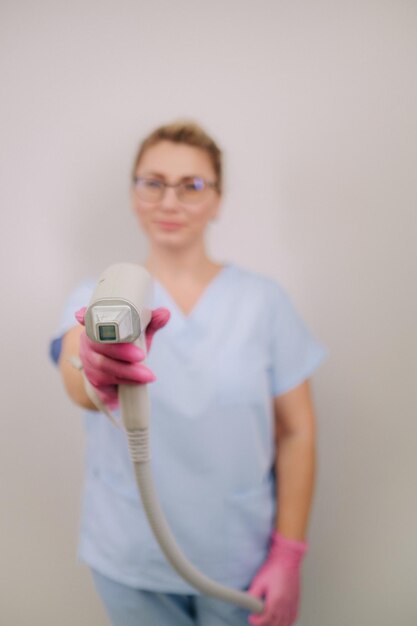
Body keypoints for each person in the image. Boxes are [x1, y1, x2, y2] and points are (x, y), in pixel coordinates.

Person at [50, 120, 327, 626]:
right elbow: (77, 376)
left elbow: (298, 429)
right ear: (134, 194)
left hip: (235, 559)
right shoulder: (100, 295)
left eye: (192, 185)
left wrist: (289, 553)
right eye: (152, 182)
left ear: (218, 200)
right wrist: (95, 369)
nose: (169, 201)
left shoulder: (263, 302)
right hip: (132, 558)